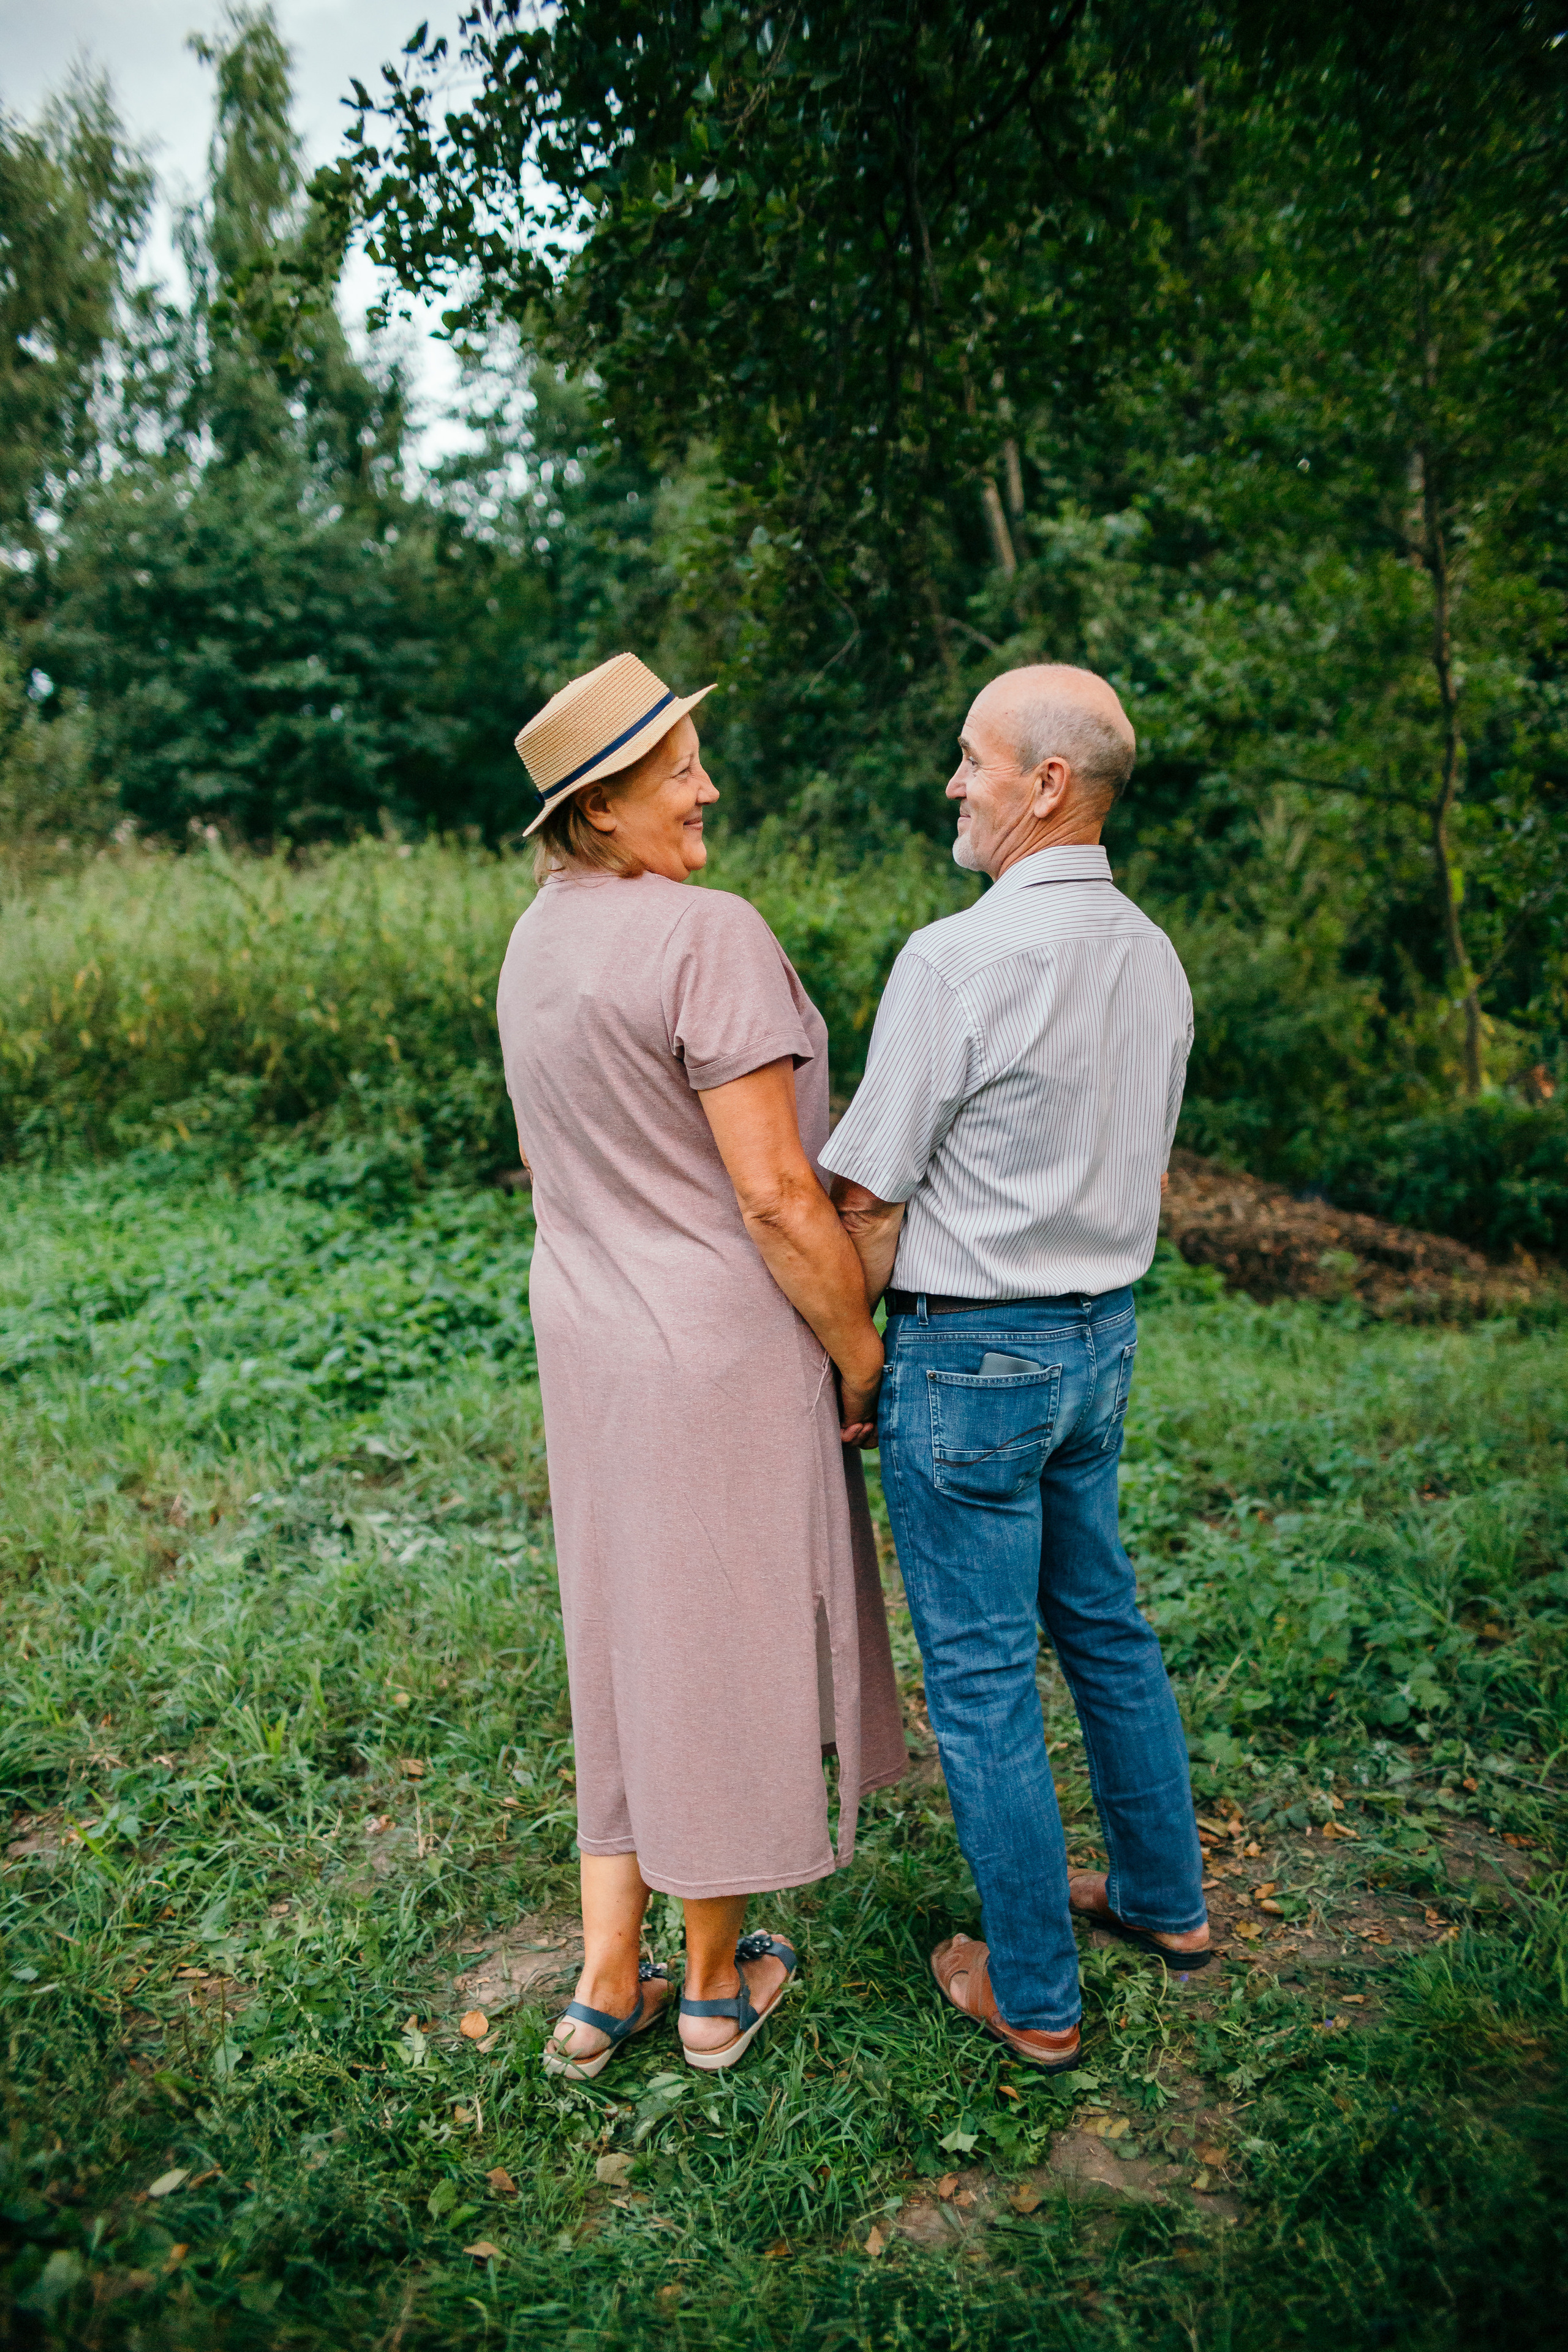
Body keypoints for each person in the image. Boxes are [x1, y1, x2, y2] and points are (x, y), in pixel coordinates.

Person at [495, 652, 905, 2078]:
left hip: (588, 1342)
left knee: (617, 1636)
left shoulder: (535, 940)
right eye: (679, 768)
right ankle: (719, 1984)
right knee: (717, 1650)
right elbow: (781, 1198)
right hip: (710, 1355)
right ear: (600, 807)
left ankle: (608, 1981)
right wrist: (858, 1356)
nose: (706, 786)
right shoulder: (704, 932)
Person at [820, 663, 1209, 2075]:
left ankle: (1034, 1990)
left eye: (972, 759)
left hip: (974, 1349)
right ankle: (1165, 1901)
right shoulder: (1153, 953)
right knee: (1101, 1624)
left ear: (1048, 785)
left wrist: (852, 1365)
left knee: (981, 1677)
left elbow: (866, 1199)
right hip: (1099, 1340)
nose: (953, 781)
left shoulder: (956, 960)